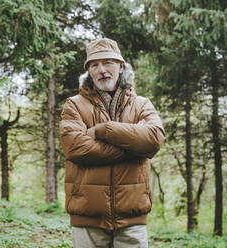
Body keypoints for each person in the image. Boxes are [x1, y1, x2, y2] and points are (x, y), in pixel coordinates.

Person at [59, 38, 166, 248]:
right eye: (94, 65)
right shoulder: (74, 105)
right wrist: (133, 146)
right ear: (89, 71)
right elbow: (75, 148)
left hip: (132, 219)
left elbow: (153, 141)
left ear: (120, 67)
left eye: (108, 62)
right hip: (87, 217)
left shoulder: (142, 104)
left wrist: (103, 130)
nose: (101, 70)